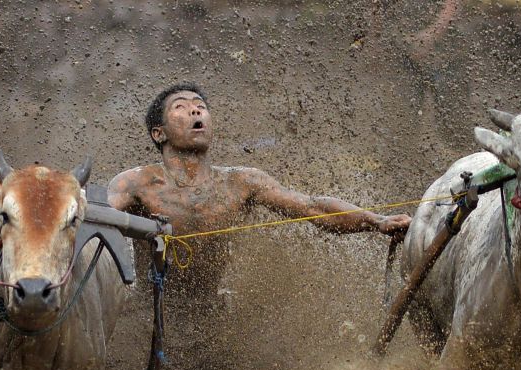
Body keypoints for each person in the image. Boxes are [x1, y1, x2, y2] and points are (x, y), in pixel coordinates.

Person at [108, 82, 411, 299]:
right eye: (181, 108)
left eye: (200, 107)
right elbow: (93, 219)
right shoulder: (135, 183)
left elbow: (312, 208)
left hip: (213, 308)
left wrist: (377, 221)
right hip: (151, 315)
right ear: (158, 133)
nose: (195, 112)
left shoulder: (242, 182)